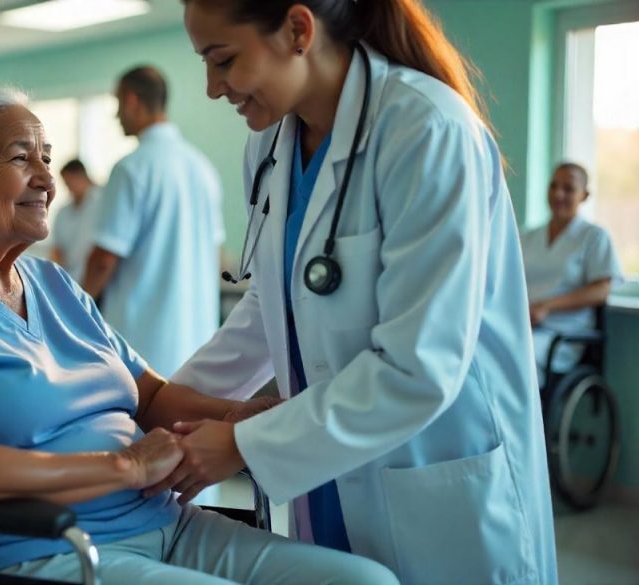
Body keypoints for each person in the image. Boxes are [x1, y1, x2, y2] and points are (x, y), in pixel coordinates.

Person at [0, 87, 396, 585]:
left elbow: (149, 396)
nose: (46, 179)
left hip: (164, 523)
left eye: (47, 159)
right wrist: (123, 467)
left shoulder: (52, 283)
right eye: (19, 158)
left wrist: (241, 418)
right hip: (30, 550)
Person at [156, 1, 558, 584]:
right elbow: (273, 302)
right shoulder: (269, 148)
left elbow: (419, 367)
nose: (213, 88)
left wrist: (243, 444)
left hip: (434, 474)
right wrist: (167, 408)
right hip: (330, 470)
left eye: (223, 60)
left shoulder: (426, 128)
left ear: (298, 30)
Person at [82, 66, 224, 377]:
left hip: (143, 345)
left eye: (118, 105)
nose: (117, 116)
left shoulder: (132, 168)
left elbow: (104, 259)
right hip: (198, 342)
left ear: (132, 101)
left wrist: (73, 309)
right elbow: (217, 254)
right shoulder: (202, 168)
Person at [521, 162, 622, 383]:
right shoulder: (528, 237)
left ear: (584, 195)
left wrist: (546, 306)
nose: (558, 194)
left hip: (562, 336)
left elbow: (601, 290)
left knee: (518, 356)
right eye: (554, 186)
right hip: (523, 326)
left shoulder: (593, 237)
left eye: (568, 189)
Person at [51, 159, 101, 282]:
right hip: (70, 280)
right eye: (66, 184)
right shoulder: (63, 212)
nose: (69, 188)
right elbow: (56, 250)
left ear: (82, 176)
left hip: (97, 282)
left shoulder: (103, 202)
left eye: (70, 182)